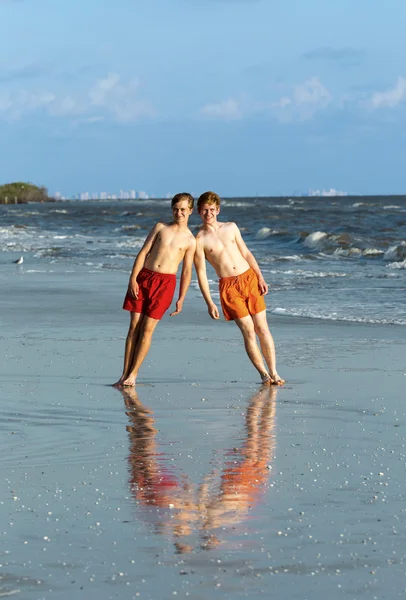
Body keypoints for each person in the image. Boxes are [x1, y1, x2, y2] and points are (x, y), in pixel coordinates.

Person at [194, 191, 284, 385]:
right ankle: (263, 374)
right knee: (249, 331)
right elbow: (201, 273)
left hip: (249, 279)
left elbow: (246, 252)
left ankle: (274, 372)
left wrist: (260, 277)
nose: (208, 214)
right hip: (229, 287)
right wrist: (209, 302)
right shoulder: (199, 239)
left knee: (262, 328)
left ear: (217, 210)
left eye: (211, 210)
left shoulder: (231, 227)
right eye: (204, 210)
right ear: (198, 212)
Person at [113, 193, 196, 387]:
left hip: (166, 284)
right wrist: (133, 279)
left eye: (183, 209)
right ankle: (124, 374)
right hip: (144, 278)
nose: (179, 213)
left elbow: (186, 272)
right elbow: (143, 252)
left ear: (190, 211)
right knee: (134, 326)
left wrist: (181, 298)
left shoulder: (191, 240)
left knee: (147, 329)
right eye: (176, 209)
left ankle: (133, 374)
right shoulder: (160, 227)